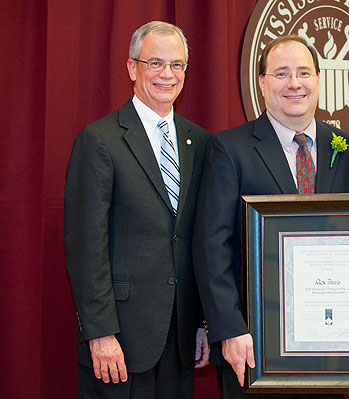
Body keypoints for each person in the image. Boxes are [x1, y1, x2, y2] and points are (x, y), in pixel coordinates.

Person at [193, 35, 349, 398]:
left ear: (319, 80)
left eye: (303, 72)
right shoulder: (229, 149)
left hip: (329, 344)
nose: (294, 83)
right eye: (281, 73)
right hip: (255, 345)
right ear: (261, 82)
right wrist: (229, 329)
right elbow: (212, 245)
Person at [64, 21, 210, 398]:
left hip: (179, 342)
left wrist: (201, 324)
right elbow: (85, 246)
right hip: (120, 343)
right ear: (133, 69)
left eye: (177, 65)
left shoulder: (201, 143)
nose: (167, 74)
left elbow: (198, 241)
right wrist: (99, 333)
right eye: (155, 63)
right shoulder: (99, 141)